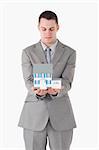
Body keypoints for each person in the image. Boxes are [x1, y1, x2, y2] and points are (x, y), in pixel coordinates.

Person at [18, 10, 77, 150]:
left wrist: (57, 90)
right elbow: (28, 80)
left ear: (58, 27)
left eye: (51, 29)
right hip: (34, 114)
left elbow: (67, 81)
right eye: (44, 29)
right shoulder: (28, 52)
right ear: (38, 27)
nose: (47, 33)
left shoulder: (70, 52)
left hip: (61, 114)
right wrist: (36, 90)